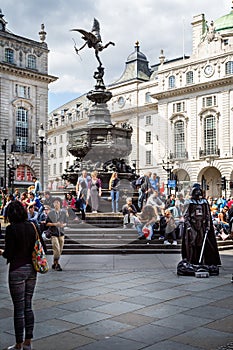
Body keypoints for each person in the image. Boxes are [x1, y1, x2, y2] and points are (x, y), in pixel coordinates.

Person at [0, 200, 38, 350]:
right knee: (28, 306)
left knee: (18, 308)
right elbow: (39, 245)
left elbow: (9, 253)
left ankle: (18, 344)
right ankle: (28, 342)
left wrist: (2, 252)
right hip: (32, 270)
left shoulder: (11, 229)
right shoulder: (32, 226)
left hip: (17, 269)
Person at [182, 183, 221, 266]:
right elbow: (186, 215)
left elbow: (207, 215)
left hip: (201, 225)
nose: (198, 192)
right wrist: (188, 226)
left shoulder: (204, 202)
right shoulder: (188, 202)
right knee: (192, 243)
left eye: (199, 190)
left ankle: (202, 261)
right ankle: (191, 261)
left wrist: (208, 225)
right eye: (196, 191)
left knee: (201, 243)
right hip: (192, 224)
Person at [45, 197, 68, 271]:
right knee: (56, 249)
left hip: (61, 233)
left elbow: (66, 222)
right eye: (55, 203)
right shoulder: (51, 213)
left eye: (58, 202)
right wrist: (55, 224)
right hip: (53, 233)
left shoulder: (63, 212)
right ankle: (57, 264)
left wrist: (63, 225)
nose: (56, 204)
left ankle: (54, 263)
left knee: (60, 250)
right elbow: (47, 223)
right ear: (53, 204)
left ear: (60, 204)